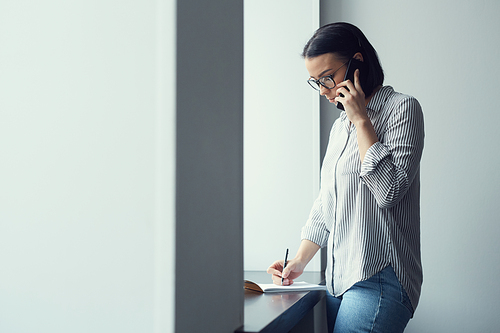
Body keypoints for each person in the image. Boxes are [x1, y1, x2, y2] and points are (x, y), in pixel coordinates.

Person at [267, 22, 424, 333]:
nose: (324, 91)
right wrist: (298, 261)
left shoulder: (402, 109)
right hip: (338, 282)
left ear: (357, 62)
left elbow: (389, 191)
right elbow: (328, 202)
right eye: (316, 82)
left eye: (328, 78)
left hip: (380, 279)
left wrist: (361, 119)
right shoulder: (340, 128)